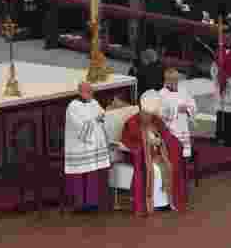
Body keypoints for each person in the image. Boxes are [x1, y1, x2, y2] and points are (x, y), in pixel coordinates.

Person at [120, 92, 188, 215]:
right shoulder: (132, 122)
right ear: (142, 110)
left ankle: (167, 202)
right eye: (147, 114)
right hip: (142, 156)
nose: (149, 117)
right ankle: (154, 203)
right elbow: (130, 139)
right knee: (155, 170)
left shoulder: (155, 120)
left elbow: (166, 134)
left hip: (158, 154)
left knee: (170, 165)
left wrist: (162, 141)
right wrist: (149, 141)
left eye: (151, 114)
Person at [63, 82, 111, 212]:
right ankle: (80, 204)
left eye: (91, 91)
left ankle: (93, 202)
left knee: (93, 173)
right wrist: (95, 121)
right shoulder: (73, 106)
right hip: (80, 145)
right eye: (88, 91)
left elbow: (102, 115)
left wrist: (102, 117)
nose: (91, 94)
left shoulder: (94, 102)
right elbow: (78, 126)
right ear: (80, 92)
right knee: (80, 173)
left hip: (94, 145)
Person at [158, 68, 195, 159]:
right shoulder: (161, 94)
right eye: (172, 80)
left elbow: (192, 103)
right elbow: (160, 112)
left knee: (184, 150)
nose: (175, 82)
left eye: (176, 79)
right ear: (166, 80)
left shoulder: (183, 91)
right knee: (173, 151)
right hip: (170, 126)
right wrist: (176, 109)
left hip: (183, 124)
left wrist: (187, 109)